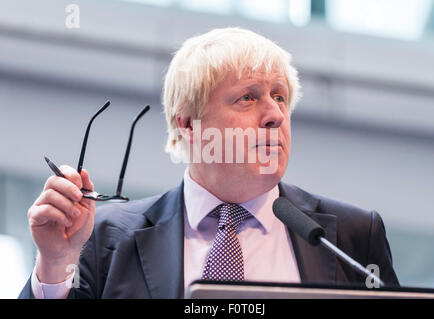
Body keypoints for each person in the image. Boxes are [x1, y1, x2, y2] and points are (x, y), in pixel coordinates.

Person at [19, 27, 399, 299]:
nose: (275, 115)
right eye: (247, 98)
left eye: (280, 97)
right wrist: (55, 264)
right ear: (188, 123)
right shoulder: (106, 240)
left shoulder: (352, 236)